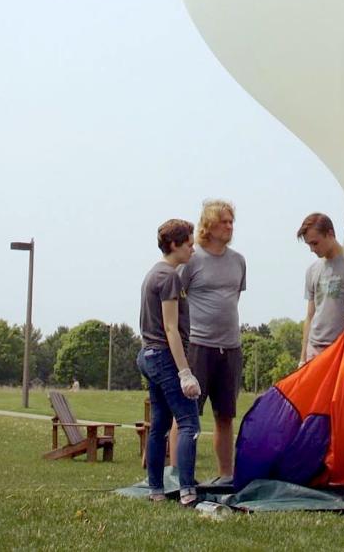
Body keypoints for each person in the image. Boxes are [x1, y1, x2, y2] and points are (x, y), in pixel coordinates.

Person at [169, 199, 246, 484]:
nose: (229, 226)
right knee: (187, 415)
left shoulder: (238, 260)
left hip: (231, 347)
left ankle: (226, 475)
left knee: (225, 415)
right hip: (199, 347)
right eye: (224, 221)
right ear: (209, 226)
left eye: (231, 221)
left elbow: (234, 298)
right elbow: (174, 299)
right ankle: (178, 476)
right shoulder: (193, 259)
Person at [137, 218, 201, 505]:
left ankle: (156, 491)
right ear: (174, 244)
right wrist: (185, 372)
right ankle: (188, 492)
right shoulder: (170, 277)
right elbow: (171, 328)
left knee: (160, 425)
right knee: (189, 423)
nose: (193, 249)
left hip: (148, 355)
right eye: (189, 243)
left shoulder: (153, 273)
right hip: (164, 355)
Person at [296, 212, 344, 364]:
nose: (312, 249)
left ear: (330, 234)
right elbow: (310, 316)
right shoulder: (312, 270)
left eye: (315, 243)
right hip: (315, 349)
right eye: (309, 244)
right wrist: (303, 357)